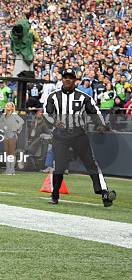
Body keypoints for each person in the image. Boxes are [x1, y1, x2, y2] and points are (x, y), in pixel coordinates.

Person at [43, 68, 117, 207]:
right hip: (60, 135)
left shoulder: (83, 97)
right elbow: (47, 113)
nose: (67, 80)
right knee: (59, 165)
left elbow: (95, 111)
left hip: (78, 134)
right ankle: (55, 195)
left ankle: (104, 192)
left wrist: (100, 125)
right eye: (65, 77)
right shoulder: (53, 96)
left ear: (75, 81)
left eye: (70, 77)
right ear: (62, 79)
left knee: (91, 163)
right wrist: (54, 122)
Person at [0, 101, 24, 175]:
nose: (7, 106)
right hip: (6, 134)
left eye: (9, 105)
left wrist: (16, 128)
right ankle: (8, 169)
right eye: (7, 105)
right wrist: (3, 127)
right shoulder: (4, 115)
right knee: (7, 153)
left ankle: (12, 170)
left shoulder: (14, 114)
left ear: (12, 107)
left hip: (12, 134)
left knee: (11, 152)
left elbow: (21, 121)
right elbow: (0, 122)